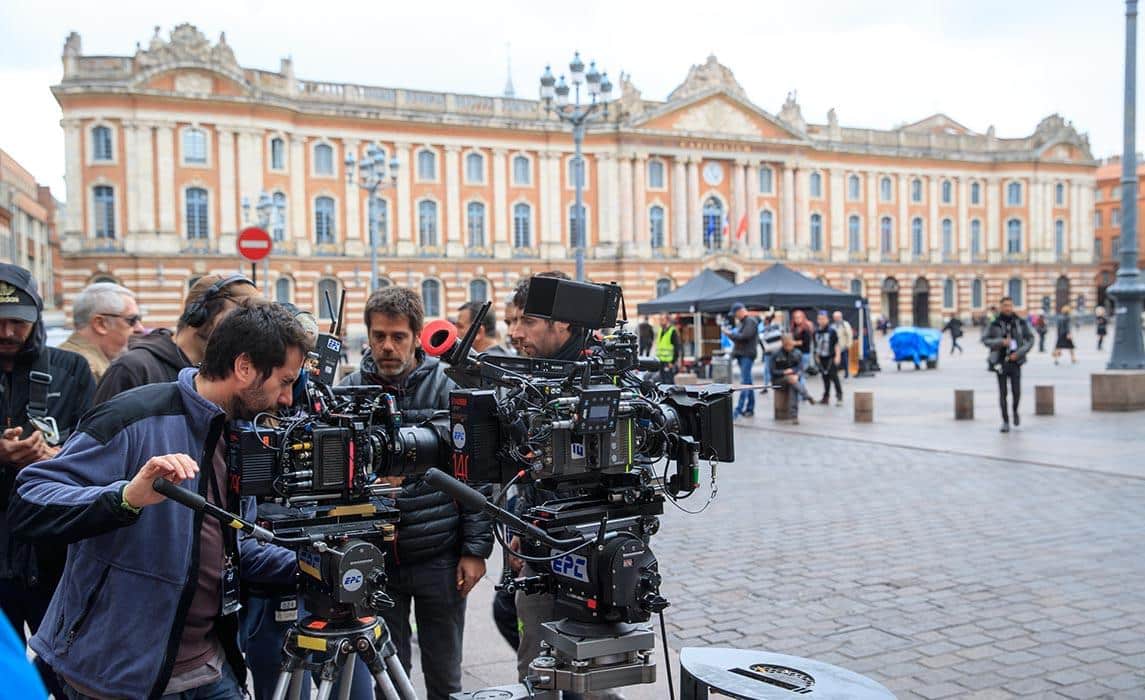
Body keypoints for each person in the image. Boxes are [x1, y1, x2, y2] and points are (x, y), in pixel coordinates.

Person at [10, 302, 303, 699]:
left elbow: (233, 546)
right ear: (245, 368)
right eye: (284, 382)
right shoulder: (134, 416)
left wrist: (310, 563)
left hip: (207, 669)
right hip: (112, 677)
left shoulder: (240, 435)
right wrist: (125, 498)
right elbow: (31, 500)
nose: (286, 398)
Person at [340, 287, 492, 700]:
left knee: (445, 677)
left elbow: (475, 473)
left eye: (398, 336)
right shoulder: (349, 390)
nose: (387, 347)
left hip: (439, 557)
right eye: (378, 336)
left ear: (416, 335)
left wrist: (474, 549)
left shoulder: (446, 386)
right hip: (375, 560)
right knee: (388, 679)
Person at [505, 273, 620, 700]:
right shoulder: (532, 378)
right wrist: (521, 523)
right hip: (539, 549)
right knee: (538, 672)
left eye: (528, 322)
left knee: (594, 677)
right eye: (513, 322)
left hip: (595, 552)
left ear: (565, 325)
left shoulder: (608, 380)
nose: (516, 334)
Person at [0, 263, 95, 698]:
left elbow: (94, 448)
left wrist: (54, 458)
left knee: (65, 669)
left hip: (51, 553)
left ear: (36, 318)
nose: (7, 331)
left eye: (17, 321)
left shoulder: (70, 368)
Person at [94, 274, 260, 403]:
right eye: (234, 319)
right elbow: (96, 442)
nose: (242, 331)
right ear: (198, 316)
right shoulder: (134, 369)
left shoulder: (224, 375)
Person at [58, 281, 145, 382]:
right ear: (100, 324)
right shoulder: (84, 371)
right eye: (132, 320)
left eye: (139, 319)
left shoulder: (69, 362)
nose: (140, 328)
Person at [983, 296, 1035, 433]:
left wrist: (1020, 353)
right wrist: (1001, 342)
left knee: (1016, 392)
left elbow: (1030, 339)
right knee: (1003, 393)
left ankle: (1015, 411)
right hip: (1000, 362)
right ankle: (1005, 421)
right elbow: (985, 340)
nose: (1008, 308)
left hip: (1015, 361)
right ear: (1001, 307)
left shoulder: (1019, 322)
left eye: (1010, 305)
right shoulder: (994, 323)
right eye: (1005, 305)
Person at [722, 303, 759, 418]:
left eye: (735, 314)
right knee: (748, 383)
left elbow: (744, 337)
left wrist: (729, 334)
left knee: (745, 383)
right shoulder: (744, 322)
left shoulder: (750, 321)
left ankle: (738, 410)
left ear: (740, 311)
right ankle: (749, 408)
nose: (735, 317)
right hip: (743, 355)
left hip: (746, 355)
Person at [771, 334, 815, 424]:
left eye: (791, 344)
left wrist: (797, 375)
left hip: (793, 380)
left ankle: (794, 416)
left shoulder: (797, 353)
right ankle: (806, 395)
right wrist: (784, 372)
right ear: (783, 343)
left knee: (792, 386)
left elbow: (800, 368)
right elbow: (772, 371)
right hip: (778, 381)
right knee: (791, 380)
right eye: (787, 345)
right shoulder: (775, 354)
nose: (789, 347)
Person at [813, 311, 843, 406]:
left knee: (834, 378)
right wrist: (816, 356)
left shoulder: (832, 331)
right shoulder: (816, 332)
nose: (821, 321)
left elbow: (836, 344)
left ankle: (839, 397)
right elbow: (816, 345)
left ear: (827, 319)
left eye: (823, 319)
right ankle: (826, 397)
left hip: (831, 358)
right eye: (819, 319)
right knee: (825, 378)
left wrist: (838, 356)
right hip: (821, 358)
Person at [654, 312, 683, 384]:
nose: (660, 321)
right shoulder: (661, 330)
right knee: (662, 381)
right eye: (660, 320)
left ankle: (671, 395)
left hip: (669, 362)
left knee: (669, 382)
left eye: (662, 320)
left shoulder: (672, 331)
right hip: (661, 362)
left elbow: (677, 348)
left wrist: (673, 362)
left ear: (667, 320)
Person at [831, 311, 854, 376]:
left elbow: (849, 335)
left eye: (837, 317)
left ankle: (846, 372)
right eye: (835, 317)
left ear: (840, 317)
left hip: (843, 345)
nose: (836, 318)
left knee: (845, 360)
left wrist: (848, 344)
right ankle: (836, 371)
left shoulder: (845, 324)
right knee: (836, 359)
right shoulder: (833, 325)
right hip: (836, 346)